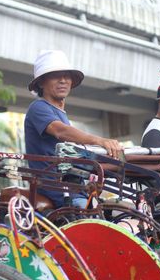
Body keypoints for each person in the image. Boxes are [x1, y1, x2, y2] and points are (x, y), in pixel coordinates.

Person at [24, 50, 122, 208]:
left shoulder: (60, 113)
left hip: (73, 186)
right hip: (56, 188)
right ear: (41, 82)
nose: (63, 80)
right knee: (94, 221)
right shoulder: (38, 107)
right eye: (56, 76)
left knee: (120, 210)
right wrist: (100, 141)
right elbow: (60, 131)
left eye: (66, 76)